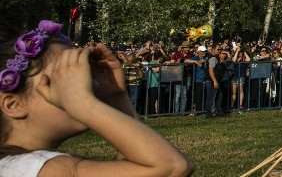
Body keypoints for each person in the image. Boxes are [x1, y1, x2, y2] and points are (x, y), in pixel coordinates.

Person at [0, 21, 192, 176]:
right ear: (13, 104)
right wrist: (83, 104)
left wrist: (116, 95)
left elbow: (135, 163)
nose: (85, 84)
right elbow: (170, 167)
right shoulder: (48, 169)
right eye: (65, 77)